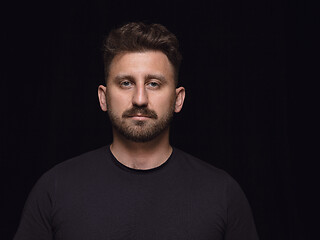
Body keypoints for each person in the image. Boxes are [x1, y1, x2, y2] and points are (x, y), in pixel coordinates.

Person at [13, 22, 258, 240]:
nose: (140, 99)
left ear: (178, 99)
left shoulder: (222, 193)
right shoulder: (55, 188)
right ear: (104, 97)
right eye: (126, 83)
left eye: (153, 84)